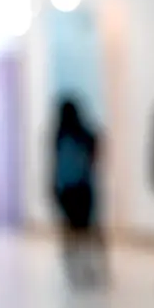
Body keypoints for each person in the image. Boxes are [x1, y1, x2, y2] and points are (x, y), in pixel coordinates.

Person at [52, 98, 106, 288]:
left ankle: (77, 269)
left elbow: (56, 166)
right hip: (82, 187)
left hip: (68, 188)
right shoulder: (84, 134)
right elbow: (96, 156)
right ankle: (91, 268)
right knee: (86, 229)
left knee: (73, 230)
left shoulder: (60, 135)